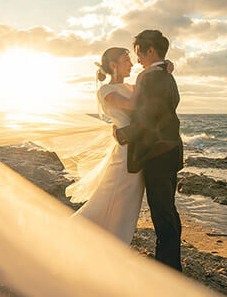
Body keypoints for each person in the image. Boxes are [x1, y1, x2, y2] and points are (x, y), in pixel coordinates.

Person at [70, 47, 170, 246]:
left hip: (137, 148)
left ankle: (115, 243)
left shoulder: (132, 87)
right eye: (126, 60)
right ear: (113, 65)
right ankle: (77, 236)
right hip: (125, 152)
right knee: (112, 198)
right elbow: (134, 106)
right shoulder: (106, 90)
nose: (132, 64)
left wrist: (165, 68)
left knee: (128, 203)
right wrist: (146, 74)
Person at [114, 30, 183, 271]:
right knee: (168, 210)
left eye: (139, 53)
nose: (138, 59)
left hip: (158, 152)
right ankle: (170, 263)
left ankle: (168, 268)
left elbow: (148, 115)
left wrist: (122, 134)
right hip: (170, 149)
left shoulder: (152, 77)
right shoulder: (163, 74)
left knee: (162, 212)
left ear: (150, 51)